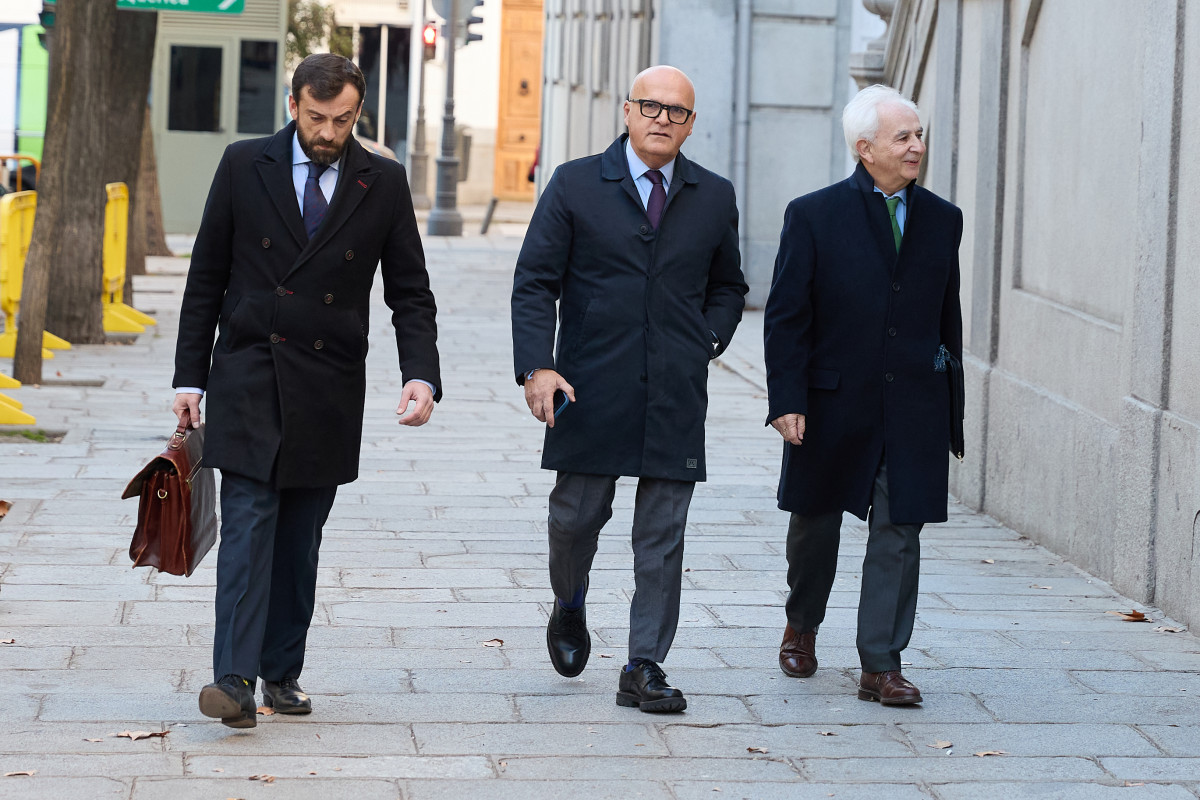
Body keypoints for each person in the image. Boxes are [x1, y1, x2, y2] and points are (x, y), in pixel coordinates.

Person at [172, 54, 441, 728]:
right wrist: (188, 377)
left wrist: (421, 373)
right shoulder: (243, 165)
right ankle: (231, 680)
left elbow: (409, 291)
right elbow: (206, 275)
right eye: (318, 117)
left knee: (299, 540)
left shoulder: (381, 182)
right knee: (250, 523)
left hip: (328, 383)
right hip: (250, 371)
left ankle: (281, 672)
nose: (329, 131)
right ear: (293, 105)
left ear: (359, 113)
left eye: (343, 119)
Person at [511, 65, 748, 713]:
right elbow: (535, 280)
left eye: (677, 112)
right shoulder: (577, 184)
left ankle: (644, 664)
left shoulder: (714, 194)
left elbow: (729, 284)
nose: (662, 119)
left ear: (691, 124)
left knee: (663, 535)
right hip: (589, 385)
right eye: (651, 106)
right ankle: (569, 603)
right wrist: (538, 365)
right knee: (575, 518)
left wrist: (708, 339)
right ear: (626, 111)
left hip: (675, 390)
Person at [763, 84, 963, 706]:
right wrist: (786, 398)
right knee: (816, 525)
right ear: (864, 147)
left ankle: (881, 662)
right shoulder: (814, 214)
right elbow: (787, 315)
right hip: (832, 403)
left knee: (900, 531)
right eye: (902, 137)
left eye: (919, 135)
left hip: (914, 407)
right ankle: (803, 623)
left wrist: (950, 404)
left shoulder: (943, 219)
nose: (916, 147)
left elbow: (945, 317)